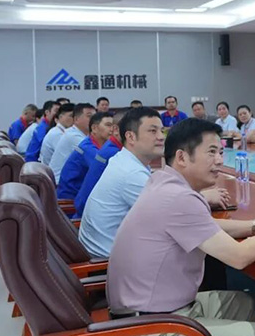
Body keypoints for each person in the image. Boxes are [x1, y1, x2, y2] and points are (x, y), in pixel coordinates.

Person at [107, 118, 255, 336]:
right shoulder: (179, 198)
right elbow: (238, 257)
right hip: (151, 331)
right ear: (182, 157)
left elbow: (207, 227)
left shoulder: (164, 183)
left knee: (241, 303)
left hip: (154, 312)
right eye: (211, 152)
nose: (219, 160)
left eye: (221, 152)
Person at [79, 108, 231, 258]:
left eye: (162, 131)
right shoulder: (131, 174)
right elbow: (184, 216)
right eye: (153, 131)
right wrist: (204, 197)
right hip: (106, 260)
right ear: (131, 137)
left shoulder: (125, 160)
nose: (161, 137)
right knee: (204, 250)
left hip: (110, 248)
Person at [56, 112, 114, 201]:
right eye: (108, 125)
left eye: (114, 126)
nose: (112, 129)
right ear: (94, 128)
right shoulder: (88, 148)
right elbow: (107, 173)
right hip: (70, 199)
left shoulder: (96, 145)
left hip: (80, 196)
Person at [74, 117, 123, 217]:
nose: (110, 129)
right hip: (80, 209)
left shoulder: (108, 146)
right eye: (108, 125)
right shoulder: (113, 154)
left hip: (84, 206)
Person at [49, 102, 95, 182]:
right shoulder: (73, 136)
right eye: (89, 116)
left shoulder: (80, 134)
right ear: (76, 119)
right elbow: (95, 158)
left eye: (95, 117)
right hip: (60, 182)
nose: (94, 120)